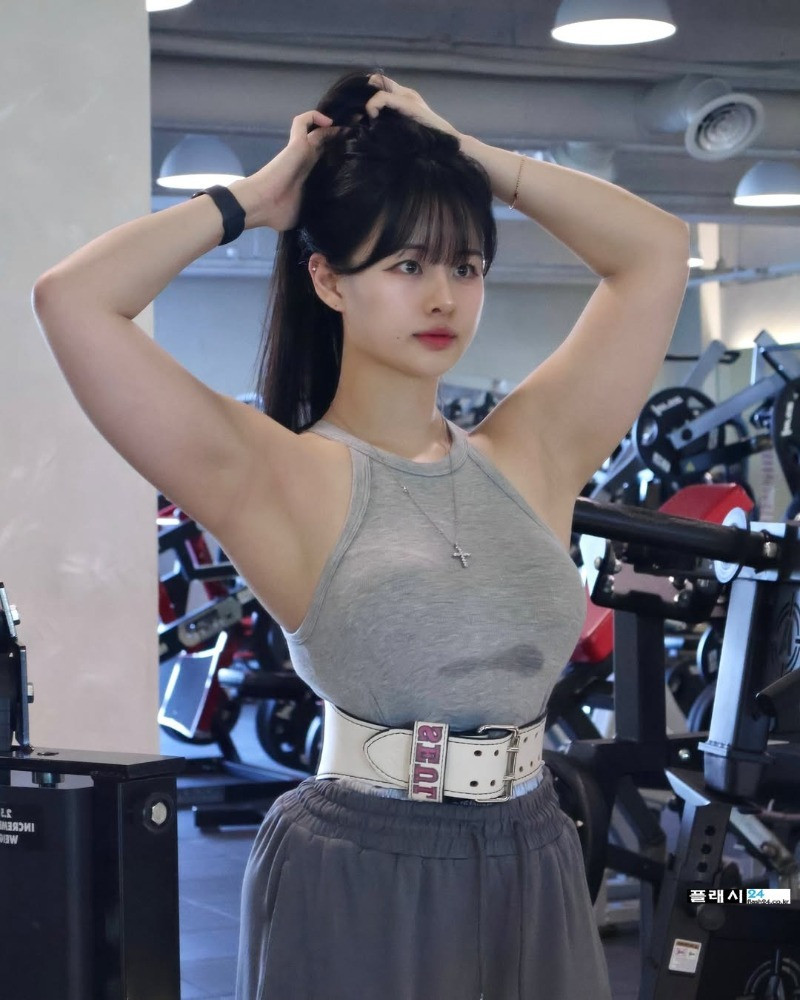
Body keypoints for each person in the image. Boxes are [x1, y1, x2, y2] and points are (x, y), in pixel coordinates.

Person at [32, 69, 689, 999]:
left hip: (536, 847)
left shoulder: (534, 451)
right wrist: (255, 200)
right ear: (328, 280)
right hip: (363, 867)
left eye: (466, 267)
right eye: (407, 266)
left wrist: (467, 159)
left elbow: (658, 251)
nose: (444, 297)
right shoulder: (274, 476)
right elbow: (72, 299)